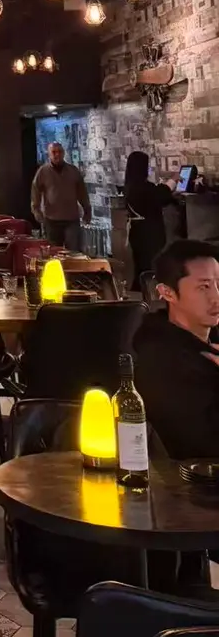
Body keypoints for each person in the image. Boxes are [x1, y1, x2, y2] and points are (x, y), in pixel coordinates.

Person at [133, 239, 219, 459]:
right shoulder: (162, 360)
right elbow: (202, 446)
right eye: (204, 287)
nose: (216, 297)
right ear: (168, 292)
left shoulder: (209, 339)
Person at [123, 150, 176, 292]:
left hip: (137, 231)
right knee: (149, 266)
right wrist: (173, 181)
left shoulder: (131, 185)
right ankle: (148, 295)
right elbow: (160, 196)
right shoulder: (142, 188)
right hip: (148, 233)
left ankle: (139, 293)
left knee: (141, 266)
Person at [30, 142, 91, 251]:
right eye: (54, 152)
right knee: (54, 252)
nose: (57, 154)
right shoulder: (43, 172)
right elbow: (35, 192)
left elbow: (82, 192)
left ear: (63, 153)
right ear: (49, 154)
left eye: (60, 152)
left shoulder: (73, 171)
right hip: (51, 220)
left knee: (73, 252)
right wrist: (36, 210)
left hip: (71, 219)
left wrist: (87, 209)